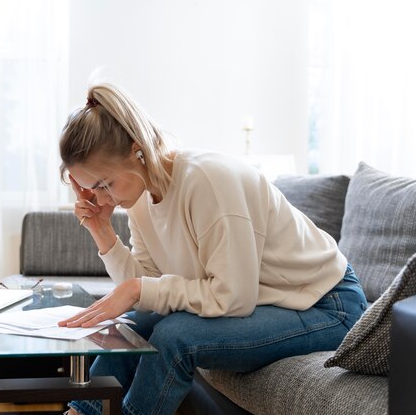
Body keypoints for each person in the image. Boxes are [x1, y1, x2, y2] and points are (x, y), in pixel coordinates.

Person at [57, 83, 367, 415]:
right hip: (275, 302)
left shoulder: (207, 181)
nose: (102, 199)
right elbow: (145, 290)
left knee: (173, 338)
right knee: (130, 328)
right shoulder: (140, 197)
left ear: (138, 151)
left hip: (329, 306)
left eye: (105, 185)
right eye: (92, 190)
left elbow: (232, 296)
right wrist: (102, 232)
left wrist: (139, 289)